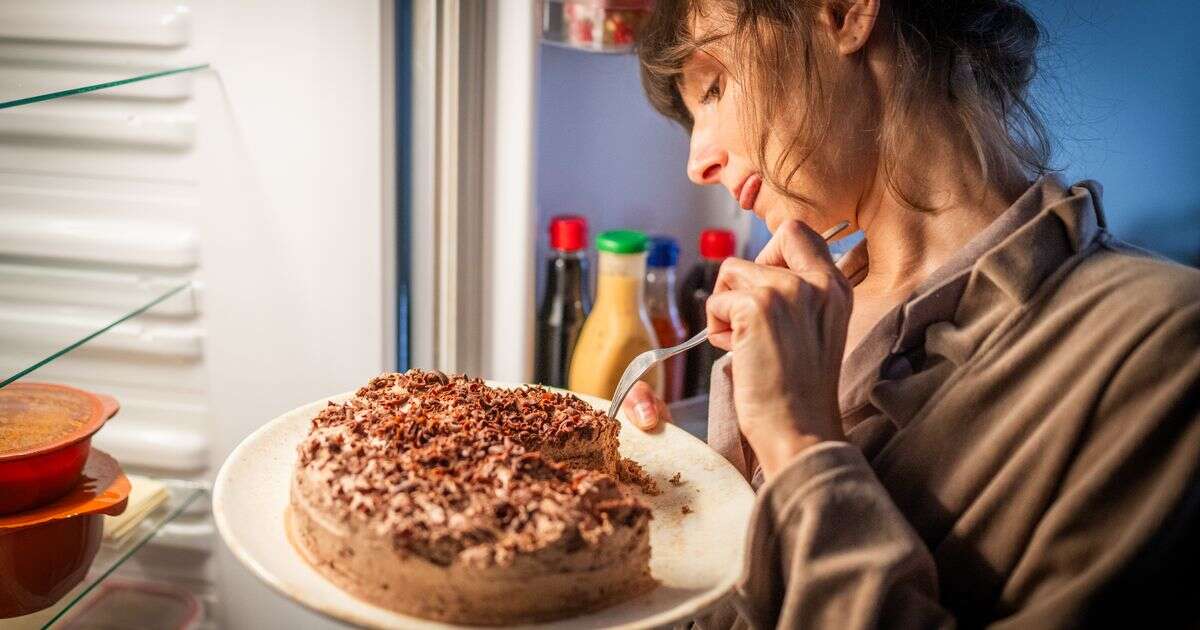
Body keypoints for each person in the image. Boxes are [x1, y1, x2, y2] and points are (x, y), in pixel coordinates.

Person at [618, 1, 1200, 627]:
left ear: (843, 13)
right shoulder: (796, 317)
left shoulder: (1165, 342)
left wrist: (801, 444)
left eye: (716, 86)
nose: (696, 162)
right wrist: (657, 494)